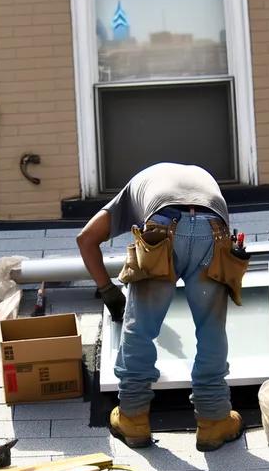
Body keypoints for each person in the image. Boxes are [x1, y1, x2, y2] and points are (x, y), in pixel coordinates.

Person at [76, 163, 244, 452]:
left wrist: (107, 290)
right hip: (213, 228)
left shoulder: (132, 192)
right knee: (211, 328)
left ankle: (133, 417)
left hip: (163, 226)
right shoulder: (198, 176)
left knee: (140, 327)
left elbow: (86, 239)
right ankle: (214, 419)